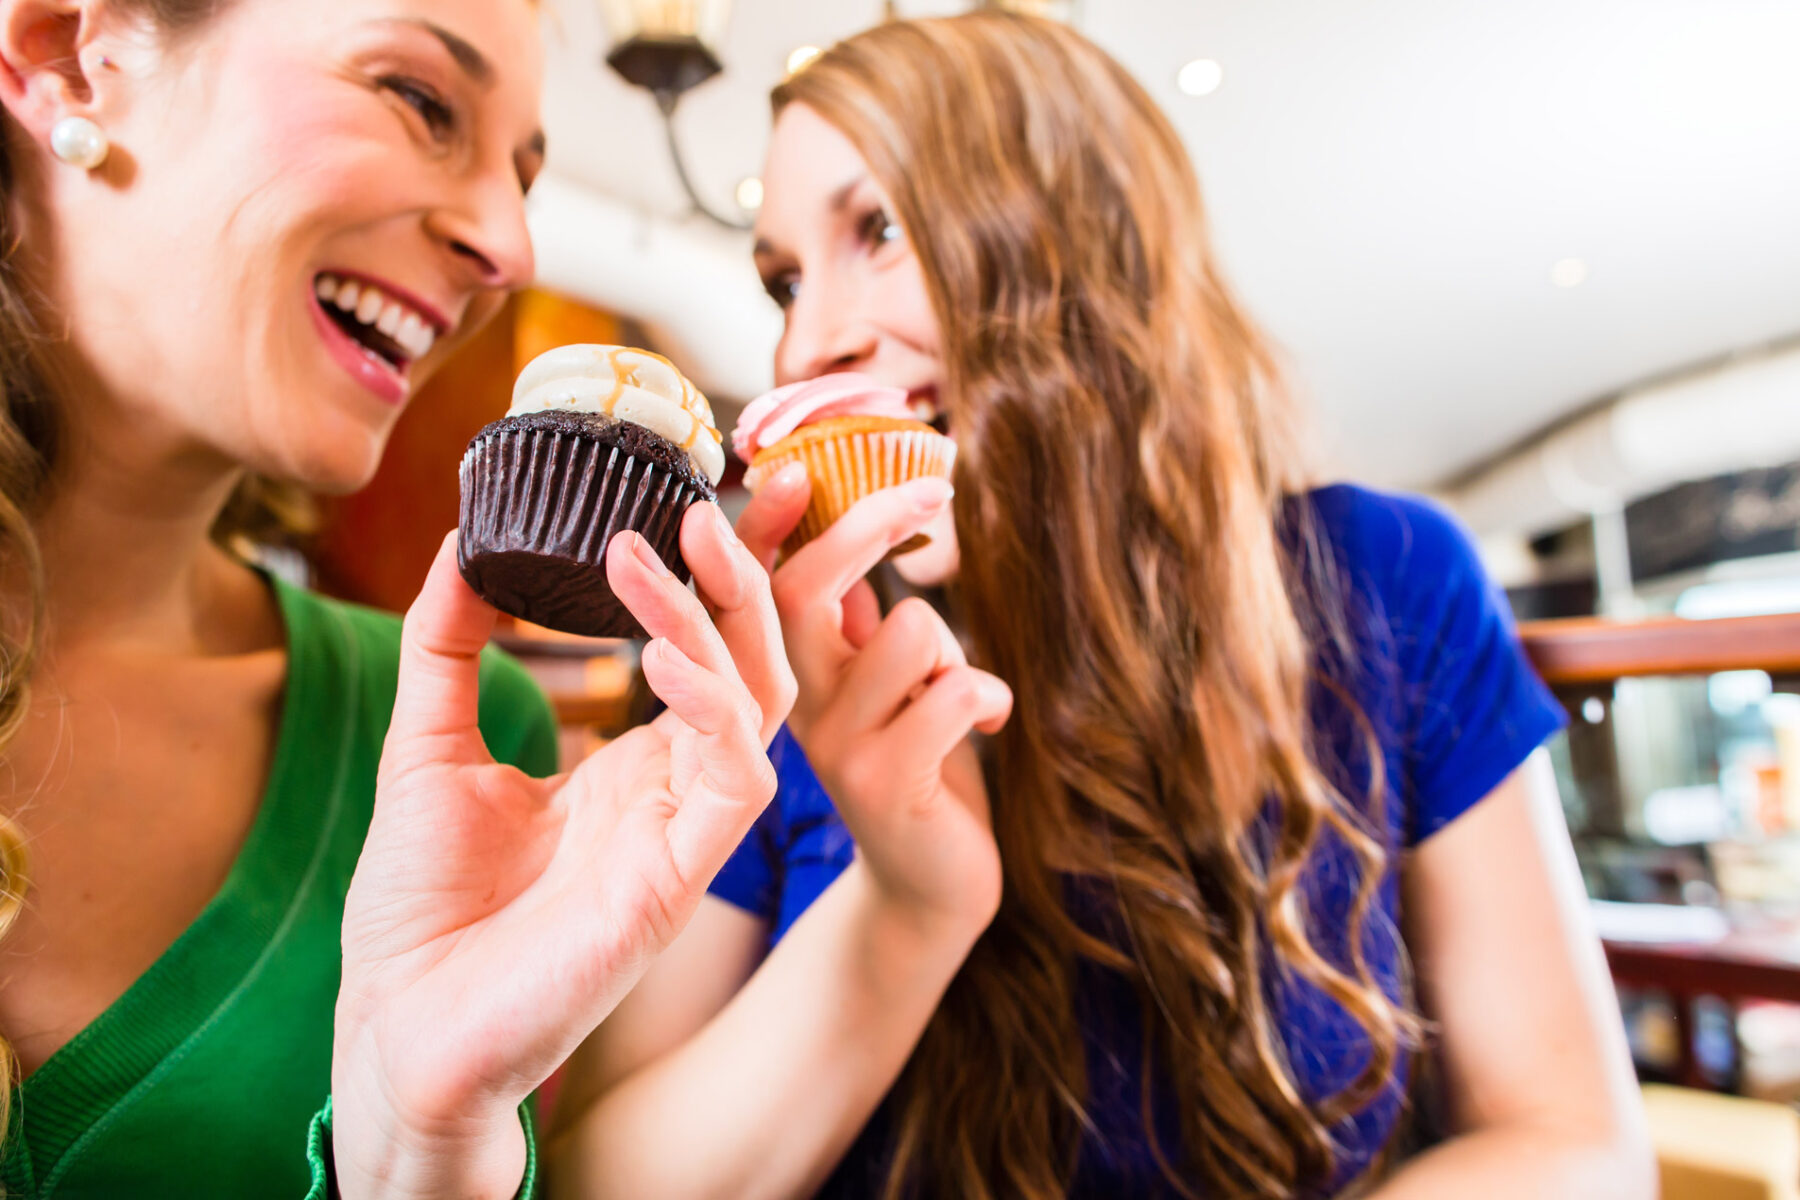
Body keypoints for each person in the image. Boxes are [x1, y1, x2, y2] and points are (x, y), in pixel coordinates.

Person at [552, 12, 1654, 1199]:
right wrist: (902, 913)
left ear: (1084, 236)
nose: (805, 343)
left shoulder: (1386, 581)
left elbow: (1574, 1143)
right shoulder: (762, 673)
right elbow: (595, 1183)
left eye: (880, 227)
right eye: (781, 282)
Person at [0, 1, 793, 1196]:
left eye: (525, 174)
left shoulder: (469, 757)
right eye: (421, 99)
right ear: (72, 55)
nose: (512, 249)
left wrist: (422, 1140)